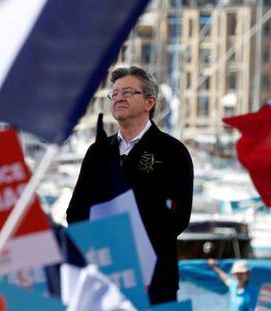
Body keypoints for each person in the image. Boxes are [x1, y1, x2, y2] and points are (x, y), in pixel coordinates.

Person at [66, 66, 194, 304]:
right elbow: (76, 212)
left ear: (149, 102)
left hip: (155, 279)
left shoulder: (172, 151)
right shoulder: (98, 152)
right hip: (106, 276)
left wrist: (135, 244)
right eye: (114, 93)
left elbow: (179, 217)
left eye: (127, 91)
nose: (119, 97)